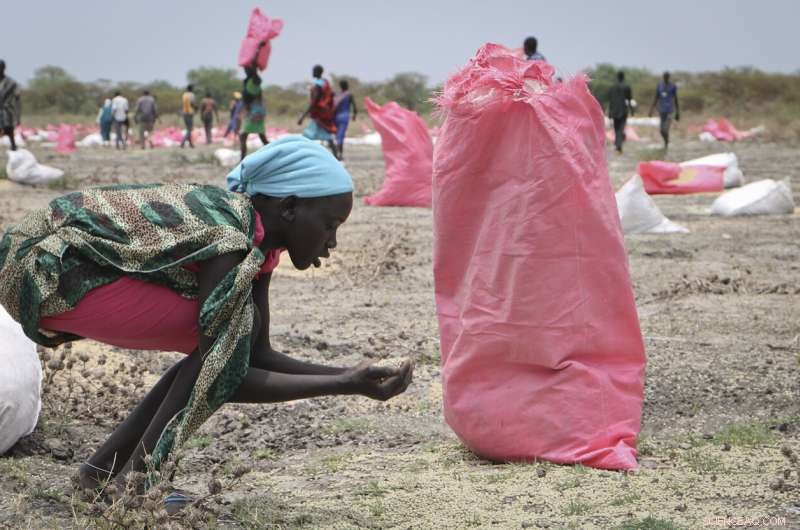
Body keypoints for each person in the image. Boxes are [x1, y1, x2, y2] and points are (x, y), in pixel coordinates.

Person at [0, 134, 415, 495]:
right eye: (329, 224)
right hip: (42, 267)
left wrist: (349, 374)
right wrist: (343, 384)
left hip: (60, 265)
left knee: (226, 340)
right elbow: (225, 372)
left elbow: (258, 355)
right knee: (218, 347)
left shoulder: (259, 247)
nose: (333, 241)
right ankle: (133, 485)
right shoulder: (229, 238)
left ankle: (100, 477)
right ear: (289, 208)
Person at [298, 65, 338, 158]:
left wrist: (303, 116)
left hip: (318, 115)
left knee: (307, 137)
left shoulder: (318, 85)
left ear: (318, 72)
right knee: (326, 137)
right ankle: (336, 157)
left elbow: (314, 102)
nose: (312, 73)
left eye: (314, 71)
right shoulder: (325, 83)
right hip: (322, 114)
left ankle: (304, 157)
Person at [239, 61, 269, 160]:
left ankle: (242, 159)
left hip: (255, 111)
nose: (245, 71)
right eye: (245, 70)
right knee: (261, 137)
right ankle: (242, 159)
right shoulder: (248, 80)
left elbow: (255, 74)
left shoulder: (255, 80)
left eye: (247, 69)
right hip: (252, 110)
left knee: (244, 136)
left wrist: (254, 61)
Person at [649, 71, 680, 148]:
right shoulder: (660, 86)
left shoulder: (673, 86)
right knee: (662, 130)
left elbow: (676, 99)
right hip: (662, 110)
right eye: (664, 77)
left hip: (670, 110)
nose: (666, 78)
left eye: (667, 77)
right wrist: (651, 110)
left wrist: (677, 112)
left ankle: (666, 143)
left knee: (666, 128)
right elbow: (656, 98)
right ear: (663, 77)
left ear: (668, 77)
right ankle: (666, 141)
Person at [607, 71, 633, 153]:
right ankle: (618, 144)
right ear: (623, 77)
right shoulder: (627, 87)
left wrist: (610, 112)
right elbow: (629, 100)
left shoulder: (612, 87)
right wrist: (631, 110)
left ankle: (617, 143)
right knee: (621, 128)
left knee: (616, 128)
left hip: (614, 110)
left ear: (617, 77)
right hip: (623, 110)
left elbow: (611, 101)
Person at [333, 80, 357, 161]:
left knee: (337, 135)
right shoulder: (349, 95)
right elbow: (355, 107)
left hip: (335, 117)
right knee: (341, 136)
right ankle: (340, 154)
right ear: (347, 85)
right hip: (344, 116)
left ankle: (337, 154)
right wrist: (354, 115)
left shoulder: (338, 95)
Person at [0, 60, 22, 151]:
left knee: (9, 131)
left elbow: (18, 99)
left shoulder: (11, 83)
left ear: (3, 69)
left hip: (6, 112)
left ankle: (14, 148)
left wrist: (18, 117)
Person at [180, 85, 196, 149]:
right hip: (190, 112)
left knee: (188, 128)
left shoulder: (184, 95)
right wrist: (196, 108)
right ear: (191, 89)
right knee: (190, 129)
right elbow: (192, 103)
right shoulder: (192, 95)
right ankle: (183, 142)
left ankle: (191, 144)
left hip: (184, 112)